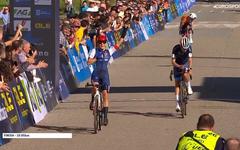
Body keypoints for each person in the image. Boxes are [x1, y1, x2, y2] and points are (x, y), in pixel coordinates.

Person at [87, 27, 128, 126]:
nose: (102, 44)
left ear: (106, 42)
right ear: (98, 43)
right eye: (100, 42)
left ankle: (105, 117)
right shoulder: (94, 51)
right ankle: (93, 99)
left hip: (105, 75)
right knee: (94, 88)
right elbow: (88, 62)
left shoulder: (109, 51)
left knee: (105, 94)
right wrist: (96, 58)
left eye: (103, 42)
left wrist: (125, 30)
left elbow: (119, 43)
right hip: (96, 74)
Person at [172, 36, 193, 112]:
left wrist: (190, 69)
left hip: (185, 63)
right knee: (177, 84)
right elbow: (173, 61)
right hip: (177, 64)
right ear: (180, 45)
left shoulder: (189, 48)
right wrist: (178, 66)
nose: (185, 50)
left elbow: (190, 60)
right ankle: (177, 104)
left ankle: (189, 86)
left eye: (186, 48)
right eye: (183, 48)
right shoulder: (175, 48)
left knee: (185, 74)